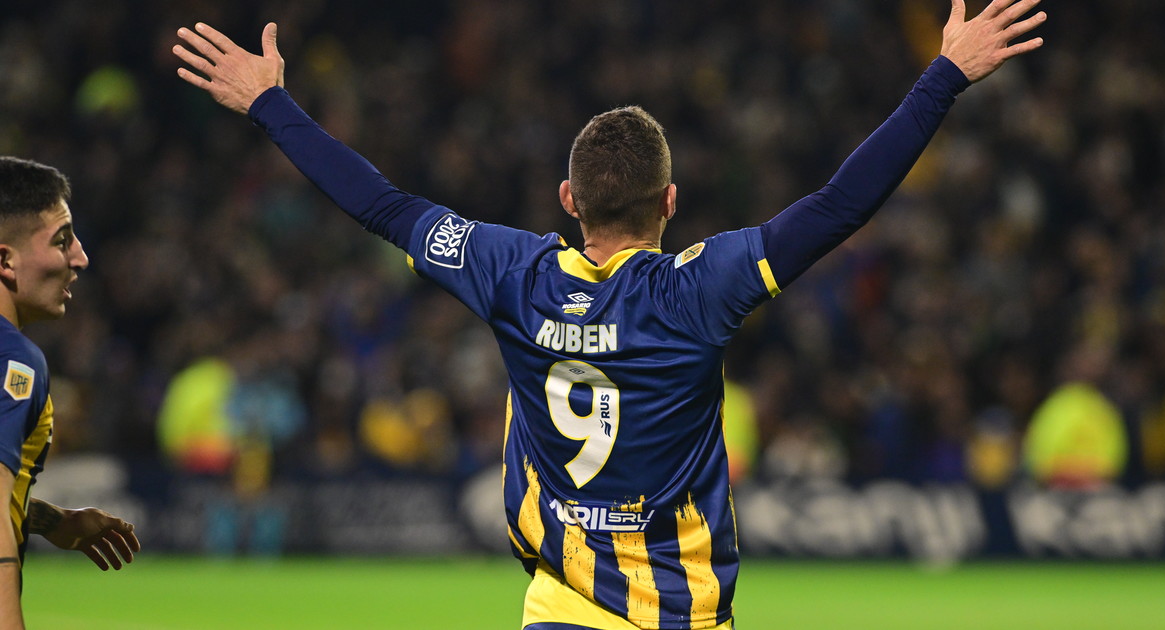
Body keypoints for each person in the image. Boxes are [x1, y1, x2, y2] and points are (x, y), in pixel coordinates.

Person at [173, 0, 1044, 627]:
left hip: (557, 608)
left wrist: (269, 102)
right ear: (670, 201)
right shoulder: (699, 289)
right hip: (682, 614)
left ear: (568, 199)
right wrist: (943, 77)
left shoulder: (511, 272)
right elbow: (839, 205)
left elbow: (384, 206)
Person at [0, 156, 141, 629]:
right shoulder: (14, 360)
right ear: (5, 260)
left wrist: (52, 522)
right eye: (62, 241)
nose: (80, 257)